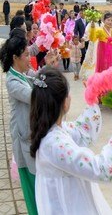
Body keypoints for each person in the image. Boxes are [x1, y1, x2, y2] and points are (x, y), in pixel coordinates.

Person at [30, 68, 112, 215]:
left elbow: (81, 130)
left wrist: (92, 100)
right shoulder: (54, 144)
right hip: (68, 206)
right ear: (64, 102)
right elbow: (101, 169)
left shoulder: (53, 130)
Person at [1, 32, 58, 214]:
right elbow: (35, 95)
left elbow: (37, 78)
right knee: (33, 188)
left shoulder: (23, 73)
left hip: (31, 135)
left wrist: (47, 67)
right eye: (26, 55)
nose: (29, 58)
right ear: (15, 57)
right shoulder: (12, 81)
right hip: (24, 138)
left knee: (39, 185)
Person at [89, 13, 112, 99]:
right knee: (103, 76)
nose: (110, 22)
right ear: (104, 21)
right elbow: (92, 39)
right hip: (103, 59)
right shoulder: (100, 30)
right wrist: (92, 28)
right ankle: (103, 97)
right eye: (108, 20)